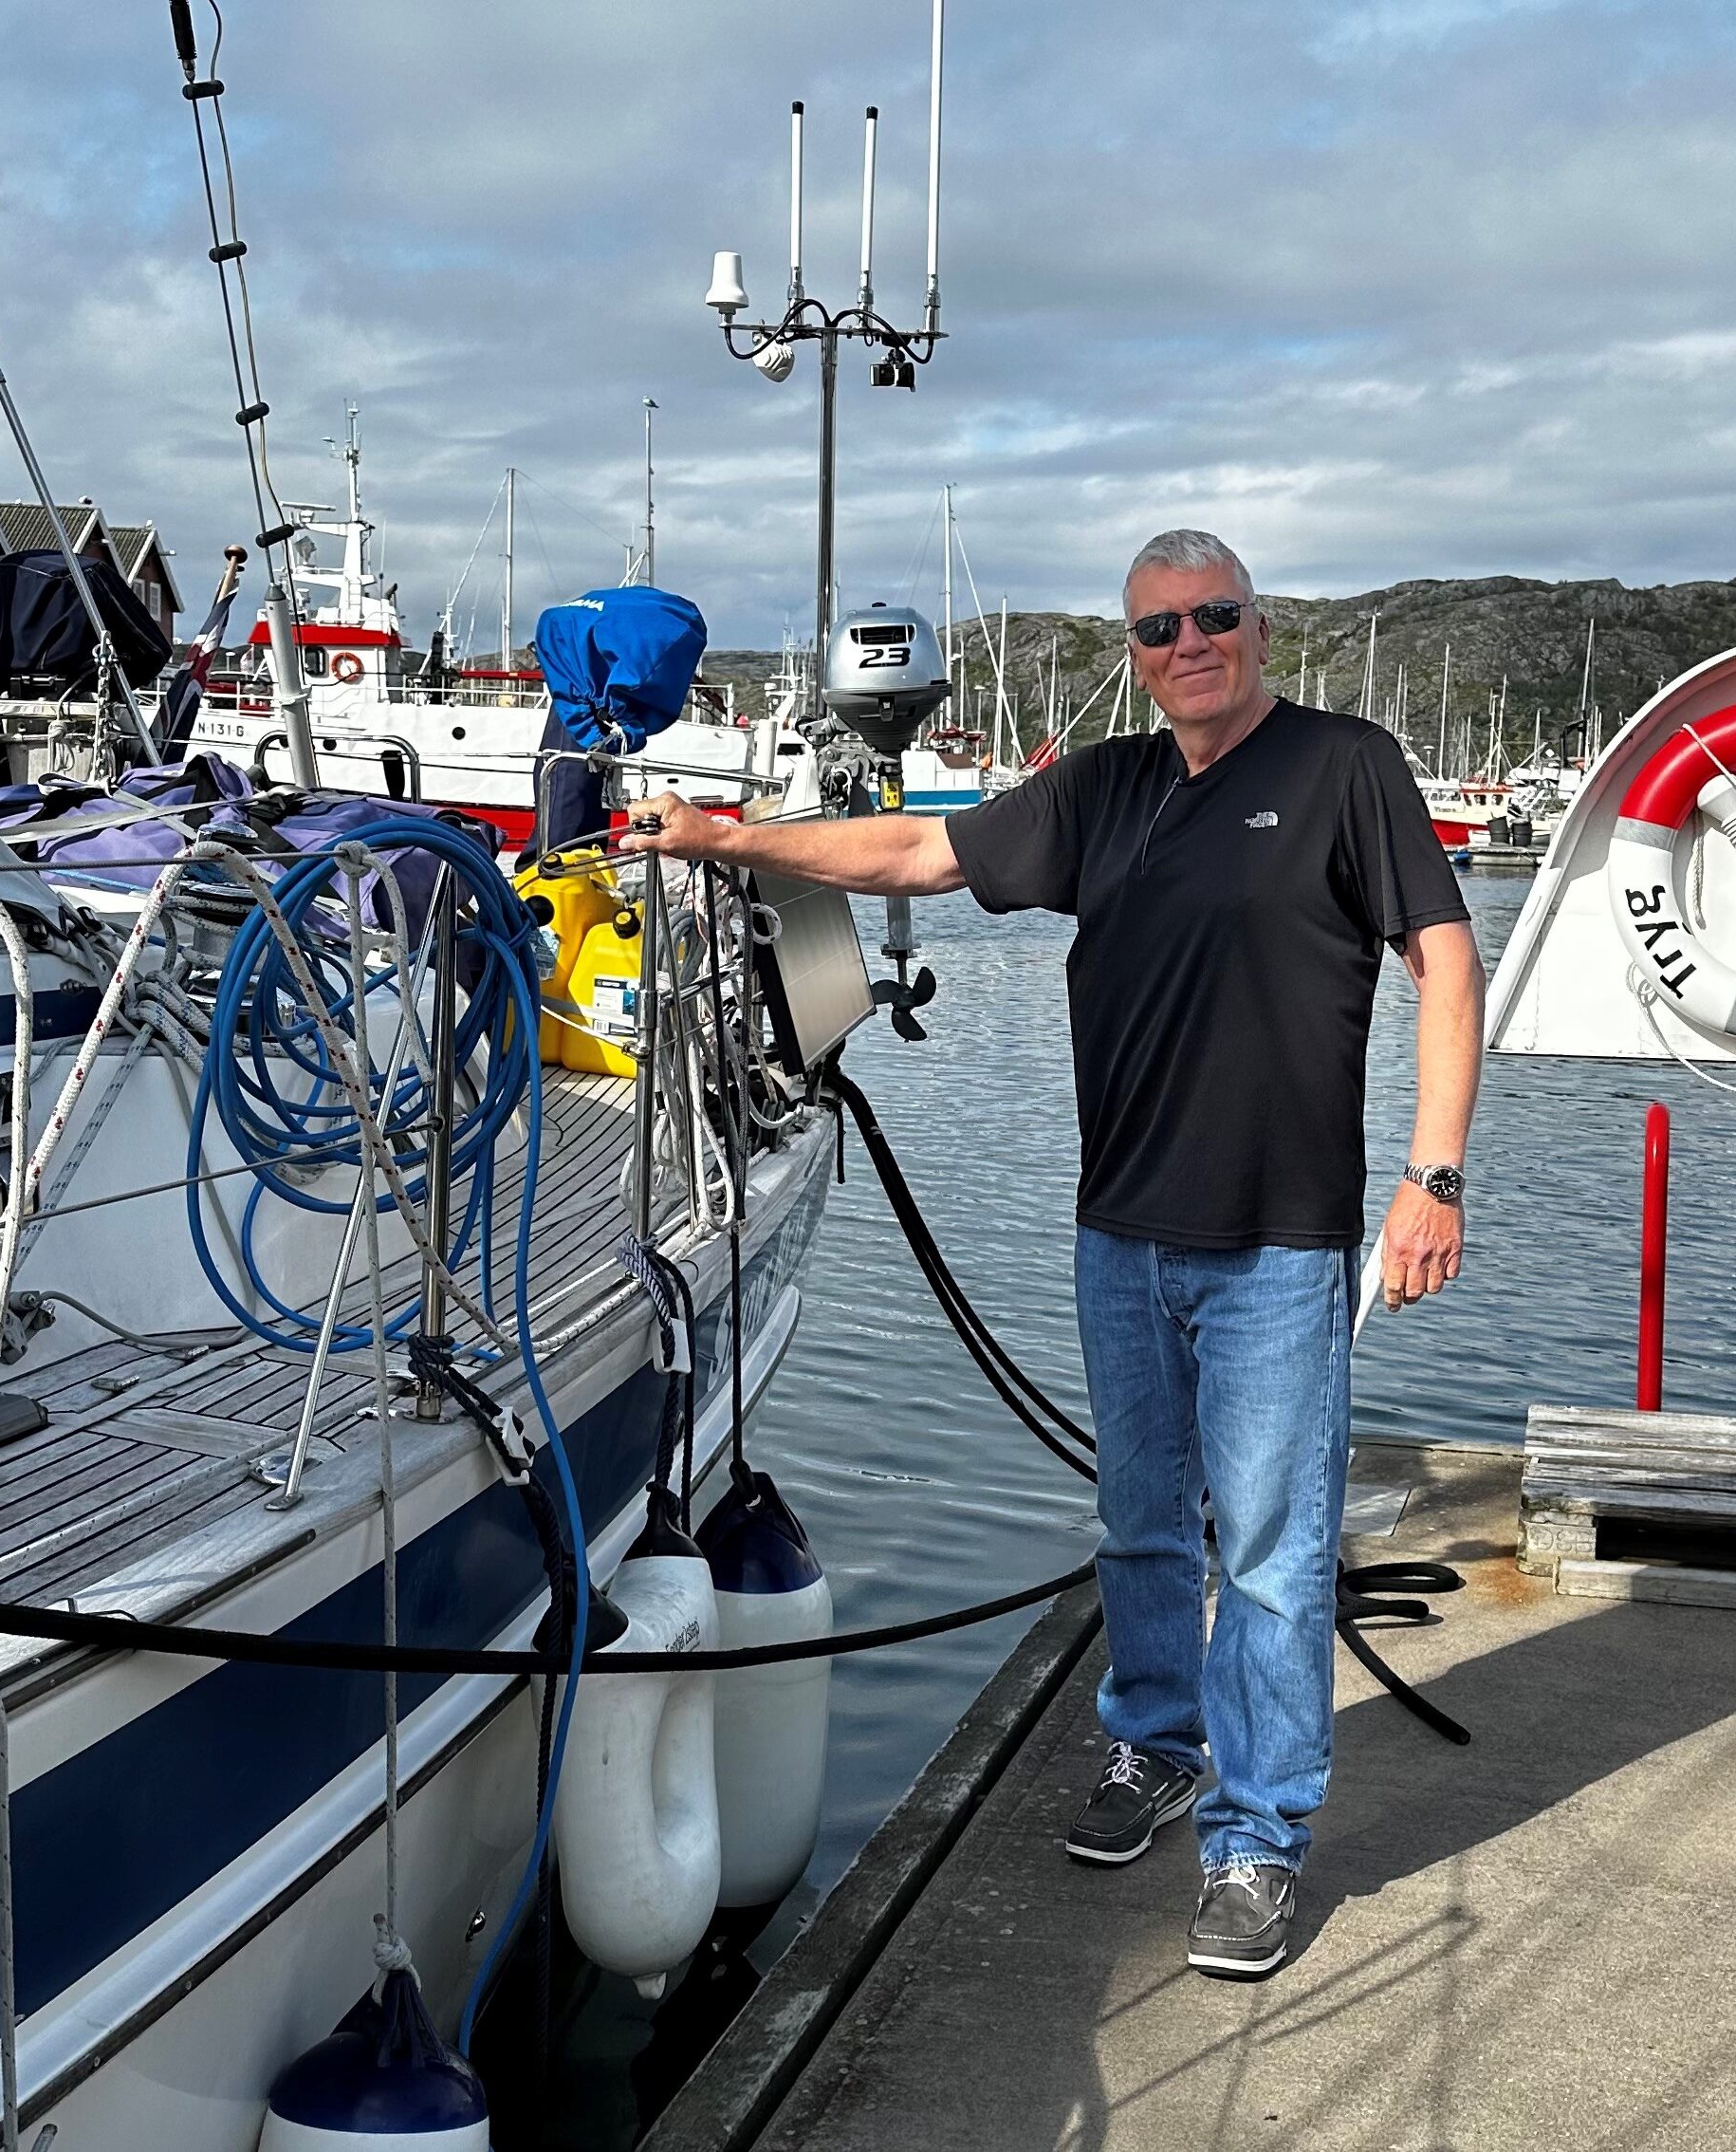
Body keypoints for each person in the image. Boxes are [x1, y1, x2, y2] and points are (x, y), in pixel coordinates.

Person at [622, 529, 1485, 1979]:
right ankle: (1157, 1747)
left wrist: (1434, 1176)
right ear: (1133, 654)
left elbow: (1446, 961)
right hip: (1121, 1231)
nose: (1188, 643)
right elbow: (914, 851)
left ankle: (1259, 1839)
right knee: (1141, 1527)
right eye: (1157, 629)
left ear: (1256, 628)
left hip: (1280, 1245)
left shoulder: (1348, 768)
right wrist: (726, 840)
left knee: (1271, 1559)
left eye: (1213, 616)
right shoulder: (1104, 791)